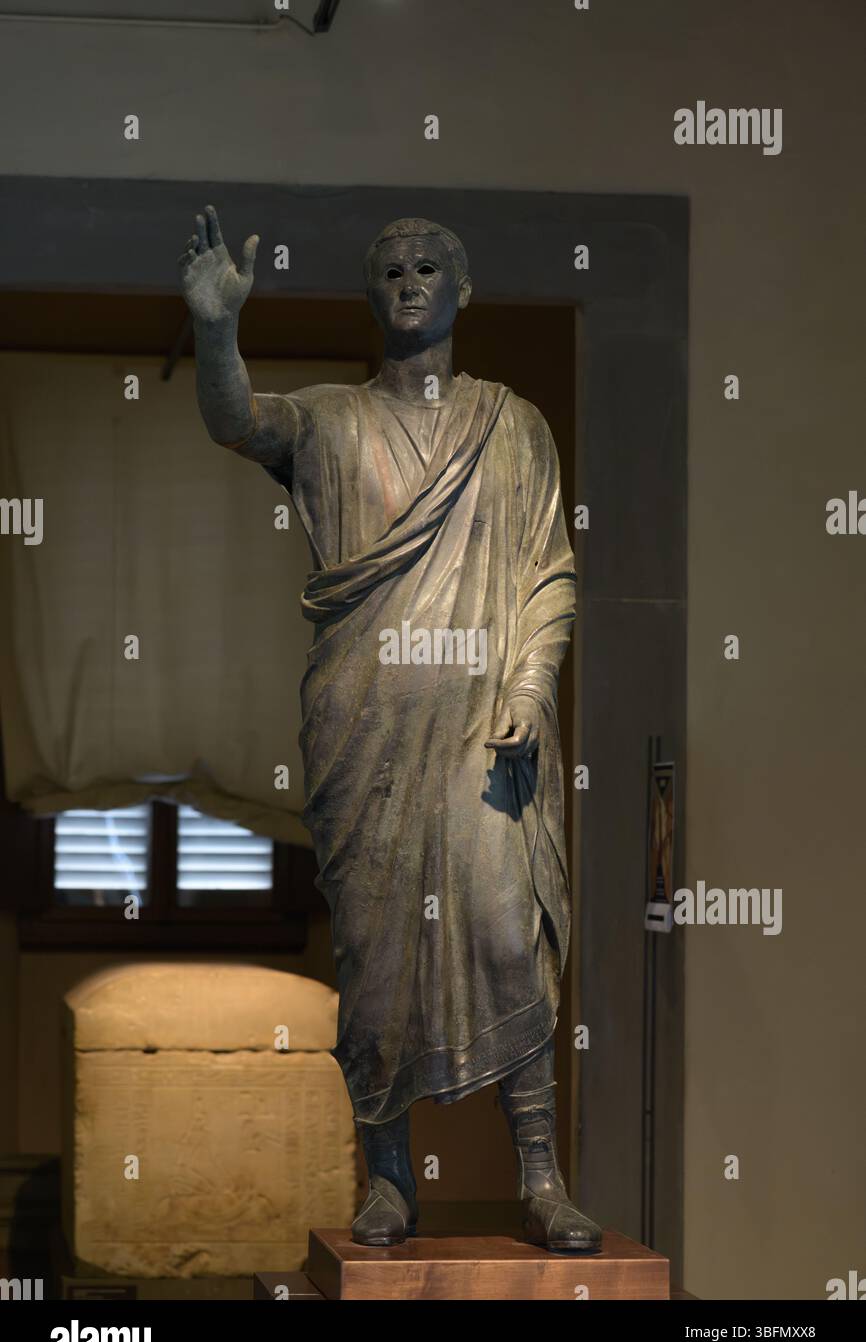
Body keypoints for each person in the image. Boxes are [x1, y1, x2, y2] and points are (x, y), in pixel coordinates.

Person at [179, 205, 602, 1252]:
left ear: (463, 290)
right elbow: (238, 422)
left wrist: (528, 687)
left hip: (478, 734)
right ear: (373, 297)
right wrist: (215, 331)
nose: (410, 281)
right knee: (371, 961)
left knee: (510, 934)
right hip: (361, 729)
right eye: (391, 271)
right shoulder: (329, 419)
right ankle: (387, 1181)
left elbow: (548, 573)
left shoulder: (514, 428)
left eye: (428, 267)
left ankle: (541, 1177)